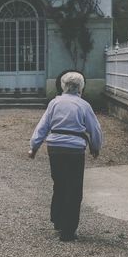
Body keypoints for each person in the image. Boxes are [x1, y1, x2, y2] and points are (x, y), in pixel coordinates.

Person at [28, 72, 102, 242]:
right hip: (75, 150)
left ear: (63, 86)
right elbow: (94, 129)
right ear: (81, 87)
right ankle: (68, 231)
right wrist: (95, 147)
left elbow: (43, 126)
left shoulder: (54, 103)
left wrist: (34, 147)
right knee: (74, 189)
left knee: (60, 183)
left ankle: (58, 220)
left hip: (55, 148)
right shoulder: (84, 105)